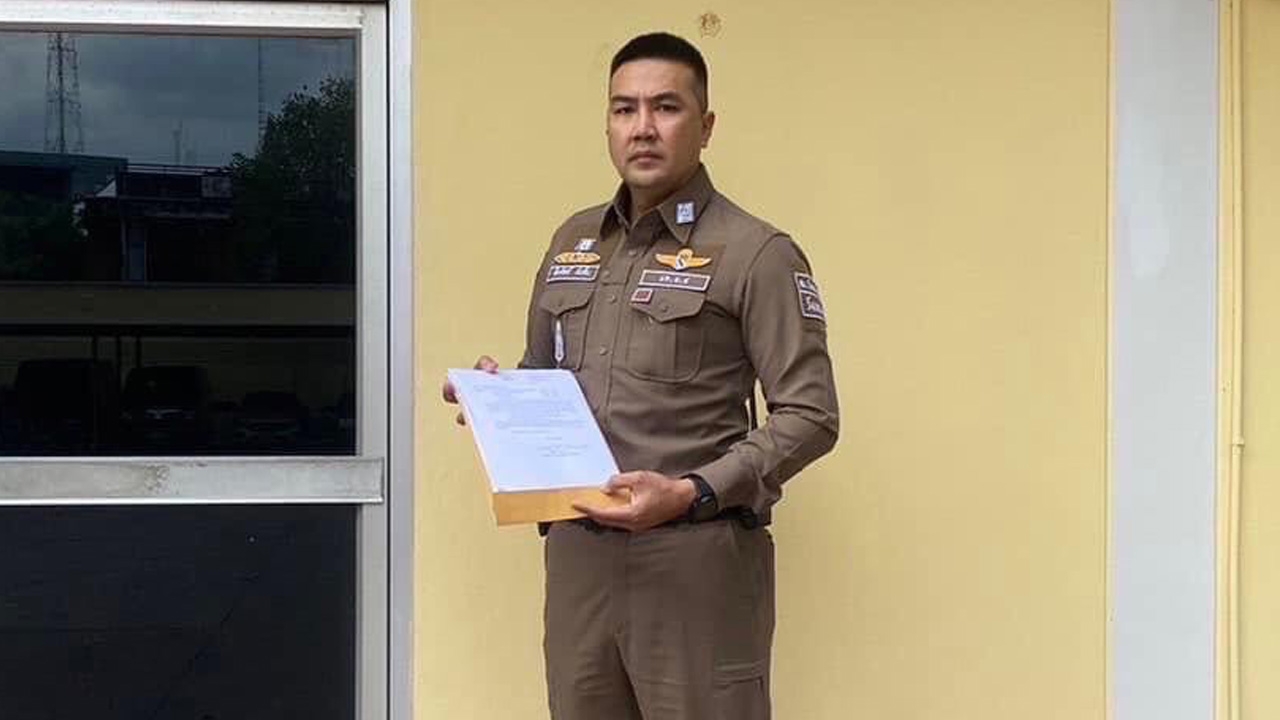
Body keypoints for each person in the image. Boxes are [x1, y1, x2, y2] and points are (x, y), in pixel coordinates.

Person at [443, 31, 839, 720]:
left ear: (705, 127)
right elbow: (545, 374)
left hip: (694, 562)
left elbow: (811, 416)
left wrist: (691, 491)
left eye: (666, 107)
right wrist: (497, 398)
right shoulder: (573, 241)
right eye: (624, 109)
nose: (643, 127)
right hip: (580, 562)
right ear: (608, 123)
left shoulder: (757, 252)